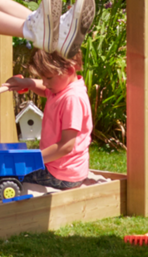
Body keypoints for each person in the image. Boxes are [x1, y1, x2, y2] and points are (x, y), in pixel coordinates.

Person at [7, 48, 93, 190]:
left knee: (10, 173)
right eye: (43, 78)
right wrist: (27, 83)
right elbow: (45, 90)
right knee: (16, 163)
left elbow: (66, 146)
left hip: (61, 174)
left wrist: (33, 160)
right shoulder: (62, 89)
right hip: (61, 167)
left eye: (48, 78)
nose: (45, 83)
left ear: (70, 70)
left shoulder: (72, 99)